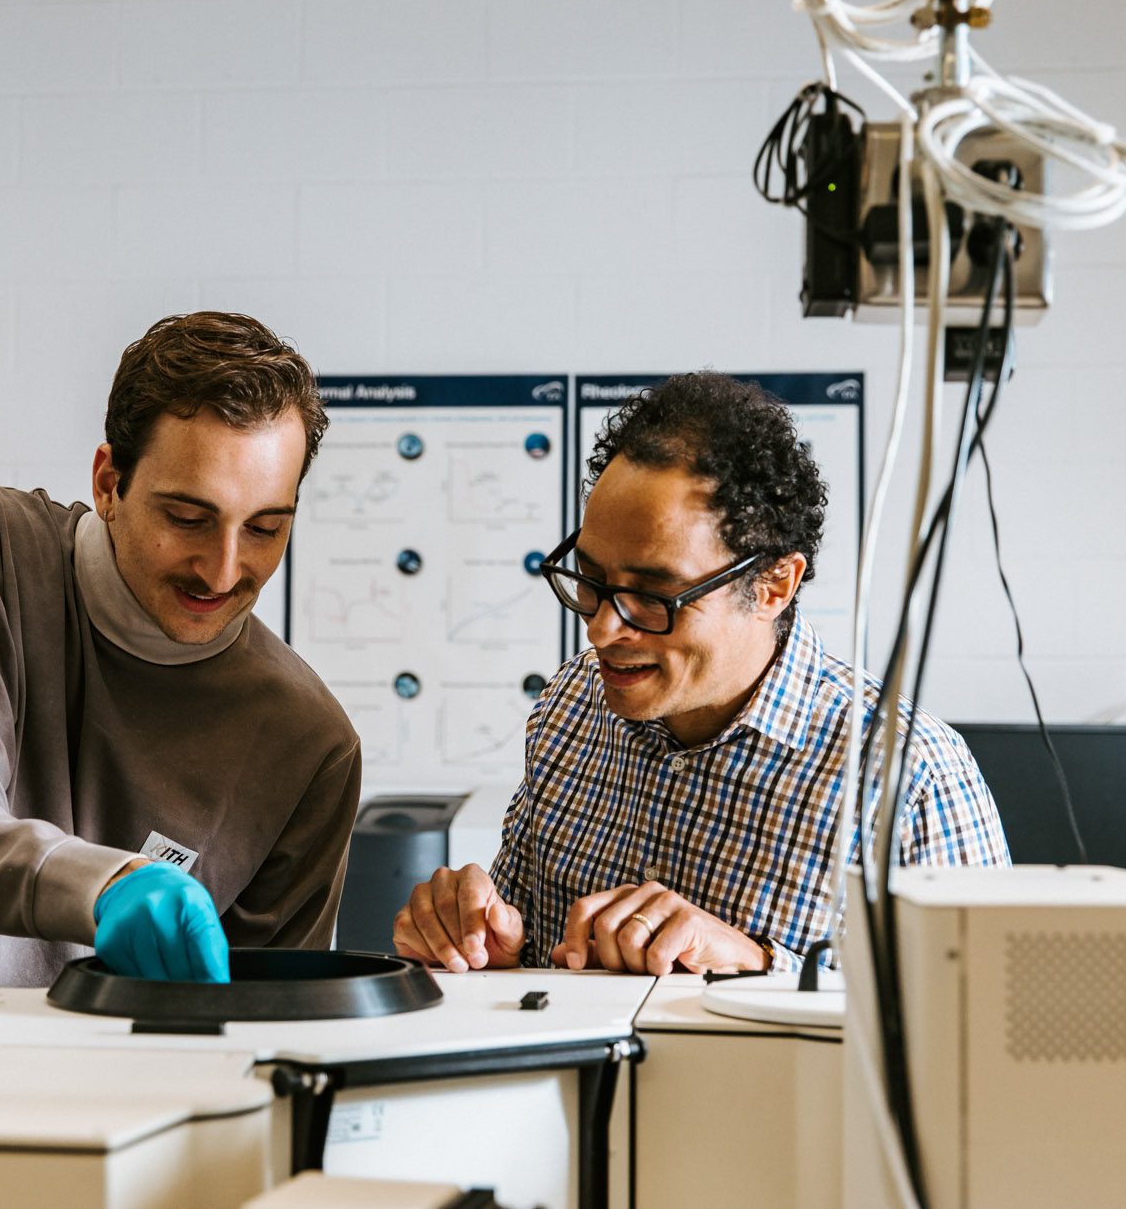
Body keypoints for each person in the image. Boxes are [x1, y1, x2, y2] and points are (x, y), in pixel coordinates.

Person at [0, 312, 360, 1010]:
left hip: (105, 1112)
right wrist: (108, 882)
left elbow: (261, 1023)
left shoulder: (308, 745)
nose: (221, 568)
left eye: (266, 529)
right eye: (187, 517)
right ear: (107, 482)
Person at [393, 372, 1009, 978]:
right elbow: (524, 950)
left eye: (654, 596)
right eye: (592, 580)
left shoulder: (910, 775)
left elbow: (981, 1029)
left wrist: (760, 965)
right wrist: (481, 942)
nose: (602, 631)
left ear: (773, 585)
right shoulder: (571, 707)